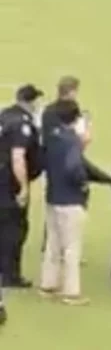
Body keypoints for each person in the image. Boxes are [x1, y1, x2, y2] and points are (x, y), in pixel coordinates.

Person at [39, 76, 111, 255]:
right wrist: (84, 138)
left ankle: (51, 246)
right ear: (72, 91)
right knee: (69, 206)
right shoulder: (65, 113)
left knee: (54, 202)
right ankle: (62, 249)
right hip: (66, 163)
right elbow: (71, 142)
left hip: (52, 162)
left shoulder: (48, 111)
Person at [38, 100, 90, 305]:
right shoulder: (72, 140)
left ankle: (48, 284)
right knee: (71, 246)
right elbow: (74, 167)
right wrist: (83, 183)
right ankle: (71, 291)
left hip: (53, 195)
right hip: (71, 198)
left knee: (53, 242)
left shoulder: (51, 136)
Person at [0, 84, 44, 289]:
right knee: (15, 229)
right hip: (9, 184)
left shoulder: (5, 115)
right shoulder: (22, 124)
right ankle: (10, 275)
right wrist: (23, 187)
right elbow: (18, 157)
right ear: (31, 101)